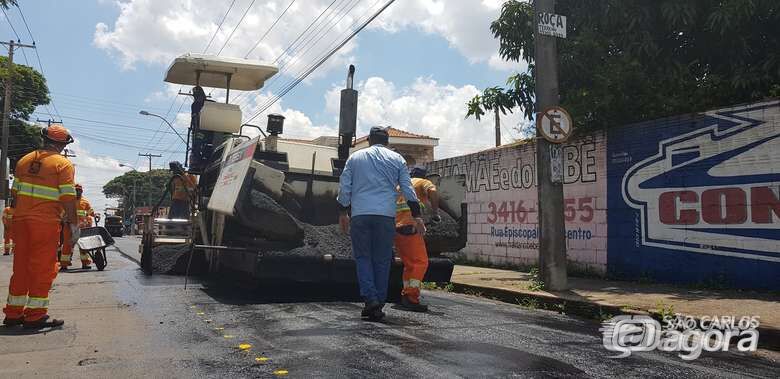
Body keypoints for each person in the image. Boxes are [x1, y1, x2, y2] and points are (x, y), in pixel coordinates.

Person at [337, 126, 425, 321]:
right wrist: (417, 215)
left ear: (368, 140)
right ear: (387, 142)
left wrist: (343, 211)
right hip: (386, 216)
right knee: (382, 259)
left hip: (360, 215)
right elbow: (408, 189)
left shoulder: (355, 158)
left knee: (363, 257)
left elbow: (345, 187)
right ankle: (379, 300)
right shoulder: (397, 159)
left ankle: (371, 300)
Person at [3, 124, 77, 329]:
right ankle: (35, 315)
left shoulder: (24, 160)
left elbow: (15, 194)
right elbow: (68, 198)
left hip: (21, 221)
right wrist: (73, 224)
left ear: (44, 139)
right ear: (62, 145)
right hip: (44, 223)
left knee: (21, 267)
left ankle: (13, 313)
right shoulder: (62, 164)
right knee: (42, 268)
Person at [394, 166, 441, 312]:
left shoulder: (399, 186)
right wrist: (435, 212)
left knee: (409, 265)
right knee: (421, 263)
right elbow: (433, 192)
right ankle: (411, 297)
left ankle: (406, 295)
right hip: (411, 227)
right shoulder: (423, 182)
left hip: (397, 229)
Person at [60, 184, 95, 270]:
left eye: (79, 190)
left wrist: (96, 215)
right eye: (76, 190)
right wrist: (64, 219)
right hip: (69, 226)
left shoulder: (85, 202)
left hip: (81, 227)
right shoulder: (68, 202)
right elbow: (62, 214)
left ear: (81, 192)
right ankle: (64, 264)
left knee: (83, 245)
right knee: (67, 245)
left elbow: (91, 212)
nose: (78, 192)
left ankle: (85, 263)